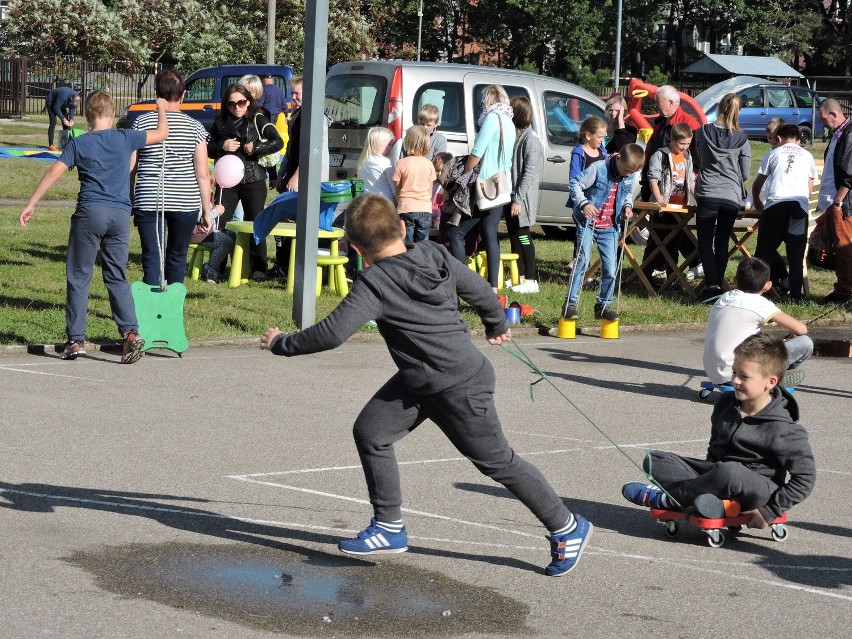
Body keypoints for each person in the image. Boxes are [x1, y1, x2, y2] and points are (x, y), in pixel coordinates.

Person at [260, 193, 593, 576]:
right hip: (420, 381)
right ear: (403, 227)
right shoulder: (433, 253)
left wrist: (282, 342)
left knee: (497, 462)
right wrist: (495, 323)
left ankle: (567, 526)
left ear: (356, 249)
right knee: (372, 432)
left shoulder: (375, 282)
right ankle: (388, 528)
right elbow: (481, 289)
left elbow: (332, 334)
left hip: (460, 384)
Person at [20, 92, 169, 363]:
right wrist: (160, 107)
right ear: (112, 116)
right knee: (116, 275)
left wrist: (32, 202)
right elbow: (161, 134)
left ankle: (76, 340)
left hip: (89, 213)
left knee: (79, 276)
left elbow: (54, 171)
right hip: (120, 215)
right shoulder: (126, 138)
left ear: (87, 119)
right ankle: (130, 333)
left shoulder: (81, 143)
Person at [623, 333, 816, 528]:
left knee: (730, 471)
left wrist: (770, 511)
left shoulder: (784, 429)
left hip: (757, 491)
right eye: (734, 373)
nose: (736, 381)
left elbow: (805, 479)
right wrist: (707, 479)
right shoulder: (725, 403)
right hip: (718, 475)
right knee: (655, 460)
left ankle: (667, 499)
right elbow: (714, 450)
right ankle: (714, 502)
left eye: (744, 377)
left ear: (771, 382)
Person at [131, 68, 212, 287]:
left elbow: (132, 166)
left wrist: (130, 197)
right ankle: (172, 309)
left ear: (157, 94)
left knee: (151, 256)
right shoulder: (195, 127)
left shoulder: (141, 123)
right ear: (183, 94)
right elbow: (203, 173)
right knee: (178, 255)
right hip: (184, 201)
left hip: (149, 199)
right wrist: (207, 210)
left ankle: (150, 307)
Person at [561, 144, 644, 321]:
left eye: (631, 172)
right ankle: (570, 303)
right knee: (582, 261)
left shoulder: (630, 172)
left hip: (610, 226)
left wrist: (627, 206)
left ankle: (603, 305)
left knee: (611, 268)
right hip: (588, 222)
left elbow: (627, 193)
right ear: (618, 158)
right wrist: (584, 204)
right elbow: (575, 184)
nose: (627, 174)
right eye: (626, 170)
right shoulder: (598, 168)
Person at [209, 84, 283, 282]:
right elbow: (207, 148)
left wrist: (256, 147)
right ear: (226, 104)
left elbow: (277, 141)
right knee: (220, 222)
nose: (237, 107)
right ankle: (217, 267)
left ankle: (258, 268)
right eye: (232, 104)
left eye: (241, 102)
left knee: (256, 222)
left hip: (253, 177)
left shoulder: (258, 119)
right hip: (227, 180)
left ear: (248, 101)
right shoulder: (219, 122)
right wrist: (221, 146)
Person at [703, 257, 813, 388]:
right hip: (742, 373)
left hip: (714, 373)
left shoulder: (724, 298)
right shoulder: (760, 304)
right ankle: (776, 378)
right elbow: (801, 330)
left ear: (734, 281)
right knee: (805, 342)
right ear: (767, 285)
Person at [447, 84, 515, 293]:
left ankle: (461, 282)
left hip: (483, 187)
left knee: (455, 232)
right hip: (502, 186)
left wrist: (464, 170)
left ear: (488, 100)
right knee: (490, 233)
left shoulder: (492, 119)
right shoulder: (509, 121)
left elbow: (477, 153)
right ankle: (493, 288)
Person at [694, 93, 751, 302]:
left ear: (718, 107)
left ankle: (713, 285)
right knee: (722, 241)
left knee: (705, 242)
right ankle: (717, 284)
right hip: (731, 195)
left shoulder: (702, 132)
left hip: (708, 192)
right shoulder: (742, 139)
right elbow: (745, 173)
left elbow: (698, 159)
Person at [752, 124, 817, 300]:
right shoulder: (808, 156)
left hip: (775, 207)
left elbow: (758, 183)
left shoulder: (773, 153)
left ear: (779, 138)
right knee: (795, 254)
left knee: (764, 251)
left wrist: (758, 201)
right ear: (798, 139)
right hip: (798, 207)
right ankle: (796, 294)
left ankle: (758, 292)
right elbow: (809, 188)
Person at [643, 122, 701, 283]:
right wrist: (660, 200)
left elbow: (690, 181)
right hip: (663, 207)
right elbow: (653, 179)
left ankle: (671, 276)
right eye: (682, 143)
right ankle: (645, 273)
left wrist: (699, 198)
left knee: (674, 243)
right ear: (672, 139)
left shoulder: (687, 157)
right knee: (656, 241)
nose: (685, 147)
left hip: (679, 207)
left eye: (688, 143)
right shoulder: (660, 155)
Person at [505, 95, 543, 293]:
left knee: (524, 237)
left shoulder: (531, 140)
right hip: (513, 197)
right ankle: (518, 275)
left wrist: (518, 199)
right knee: (514, 236)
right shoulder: (518, 136)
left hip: (522, 200)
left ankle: (531, 278)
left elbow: (529, 173)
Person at [816, 98, 852, 305]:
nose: (822, 124)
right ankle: (843, 288)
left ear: (834, 114)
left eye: (823, 119)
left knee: (844, 248)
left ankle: (844, 293)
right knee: (837, 248)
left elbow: (849, 173)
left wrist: (838, 201)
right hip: (833, 202)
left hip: (843, 203)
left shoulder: (849, 134)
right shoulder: (838, 135)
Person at [640, 85, 700, 201]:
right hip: (653, 183)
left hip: (675, 191)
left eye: (658, 102)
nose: (655, 105)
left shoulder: (690, 124)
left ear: (670, 103)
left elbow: (696, 162)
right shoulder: (661, 123)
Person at [392, 125, 437, 244]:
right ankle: (422, 262)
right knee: (423, 244)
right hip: (425, 208)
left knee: (407, 242)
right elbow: (429, 191)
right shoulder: (429, 164)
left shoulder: (401, 163)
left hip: (406, 208)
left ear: (408, 142)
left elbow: (397, 188)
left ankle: (408, 262)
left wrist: (399, 202)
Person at [258, 73, 287, 190]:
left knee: (264, 138)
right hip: (276, 116)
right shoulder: (279, 90)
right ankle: (272, 174)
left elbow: (260, 104)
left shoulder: (264, 90)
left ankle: (266, 171)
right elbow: (284, 103)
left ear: (265, 80)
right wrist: (285, 114)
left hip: (265, 116)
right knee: (271, 136)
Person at [357, 126, 396, 203]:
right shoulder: (386, 163)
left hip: (368, 203)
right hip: (386, 205)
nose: (391, 148)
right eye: (389, 144)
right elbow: (395, 189)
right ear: (379, 143)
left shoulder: (363, 162)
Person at [45, 85, 80, 151]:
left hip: (61, 104)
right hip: (52, 102)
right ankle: (51, 145)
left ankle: (67, 144)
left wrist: (71, 119)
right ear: (71, 99)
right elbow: (56, 108)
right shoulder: (63, 96)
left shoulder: (76, 98)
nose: (73, 104)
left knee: (67, 124)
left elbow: (72, 108)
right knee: (53, 123)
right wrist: (63, 119)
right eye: (72, 103)